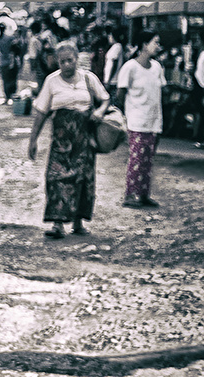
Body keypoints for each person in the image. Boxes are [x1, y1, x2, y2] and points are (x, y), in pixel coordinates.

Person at [28, 41, 110, 239]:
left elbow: (105, 99)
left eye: (70, 61)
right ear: (57, 61)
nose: (66, 65)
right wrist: (33, 140)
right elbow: (41, 112)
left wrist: (99, 111)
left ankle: (78, 222)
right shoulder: (51, 81)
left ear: (76, 60)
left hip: (84, 140)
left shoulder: (88, 79)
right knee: (55, 178)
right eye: (62, 61)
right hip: (61, 141)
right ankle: (57, 224)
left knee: (83, 179)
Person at [117, 31, 166, 209]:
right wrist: (125, 114)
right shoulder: (130, 67)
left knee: (148, 160)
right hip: (136, 121)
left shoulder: (157, 67)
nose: (158, 46)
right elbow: (120, 93)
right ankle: (130, 194)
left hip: (154, 121)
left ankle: (143, 194)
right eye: (155, 42)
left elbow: (160, 92)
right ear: (144, 44)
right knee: (136, 159)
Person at [103, 25, 125, 105]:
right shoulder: (115, 47)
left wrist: (108, 80)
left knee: (112, 103)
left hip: (113, 81)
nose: (109, 37)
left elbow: (114, 64)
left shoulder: (117, 47)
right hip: (111, 80)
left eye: (110, 35)